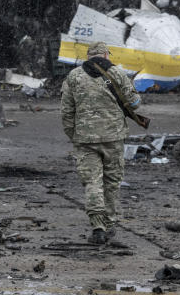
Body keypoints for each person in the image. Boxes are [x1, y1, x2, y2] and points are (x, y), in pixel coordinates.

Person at [60, 41, 142, 244]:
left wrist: (74, 134)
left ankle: (97, 226)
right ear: (106, 55)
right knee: (111, 182)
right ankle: (110, 223)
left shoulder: (74, 76)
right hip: (113, 137)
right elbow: (135, 103)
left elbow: (66, 111)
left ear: (89, 56)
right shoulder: (117, 73)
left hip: (85, 138)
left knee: (92, 182)